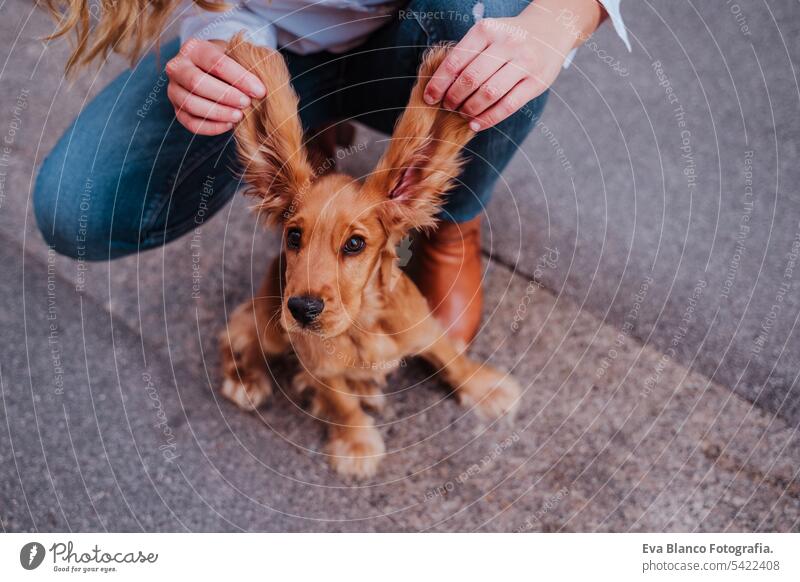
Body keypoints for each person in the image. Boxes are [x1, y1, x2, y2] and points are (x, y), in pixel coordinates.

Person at [35, 0, 630, 344]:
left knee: (483, 12)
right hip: (278, 42)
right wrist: (217, 46)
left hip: (429, 31)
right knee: (77, 205)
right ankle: (310, 163)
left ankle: (450, 219)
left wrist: (559, 19)